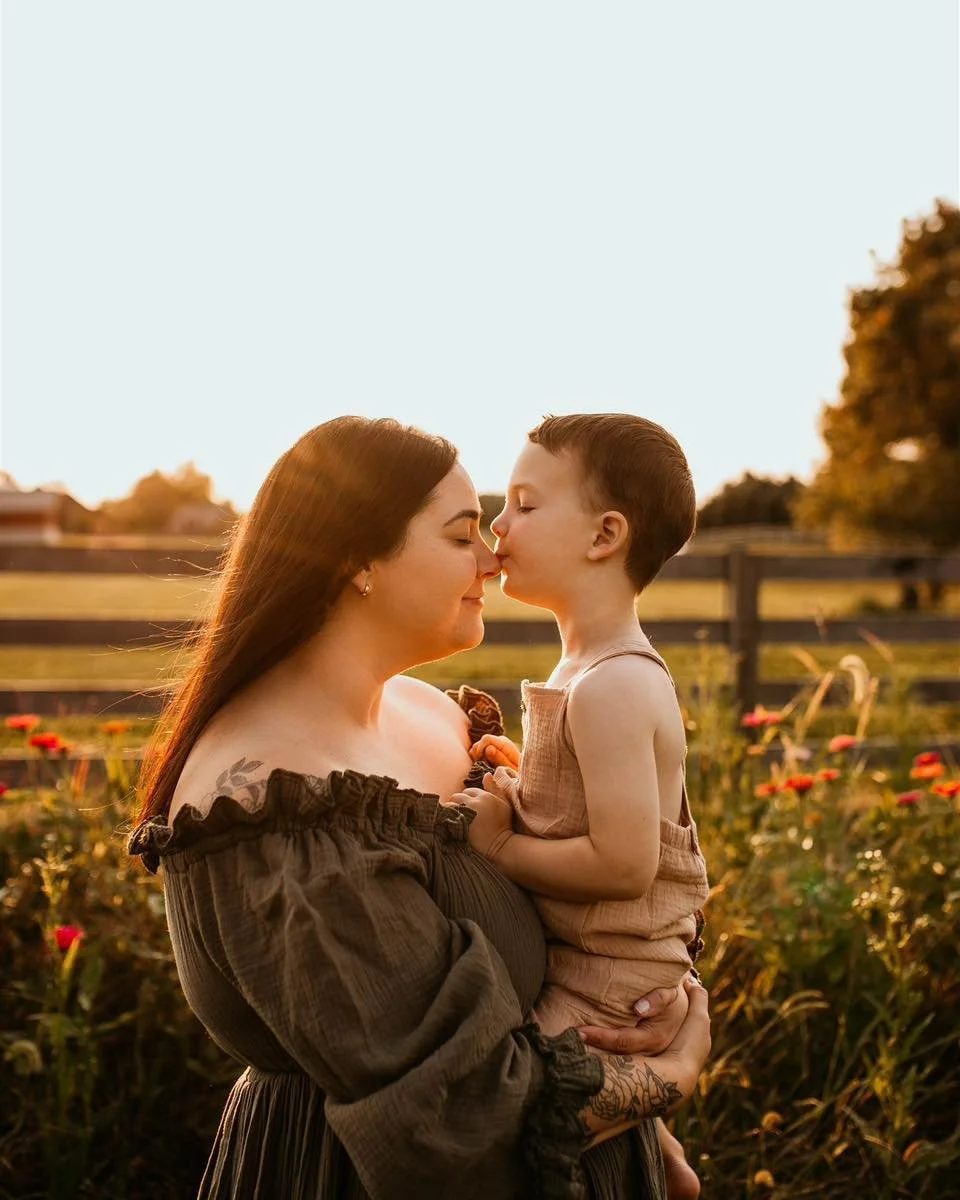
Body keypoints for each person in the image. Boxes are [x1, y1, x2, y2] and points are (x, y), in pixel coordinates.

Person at [126, 415, 711, 1200]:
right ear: (357, 560)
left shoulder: (432, 717)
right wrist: (671, 1073)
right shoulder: (271, 808)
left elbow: (590, 913)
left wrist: (647, 1117)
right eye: (462, 533)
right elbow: (457, 1124)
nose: (492, 555)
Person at [452, 414, 710, 1200]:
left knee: (527, 1099)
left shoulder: (615, 685)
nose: (498, 524)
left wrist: (498, 849)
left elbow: (625, 863)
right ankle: (656, 1150)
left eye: (525, 505)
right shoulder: (582, 671)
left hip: (612, 972)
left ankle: (649, 1158)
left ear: (604, 535)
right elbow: (581, 803)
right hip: (588, 955)